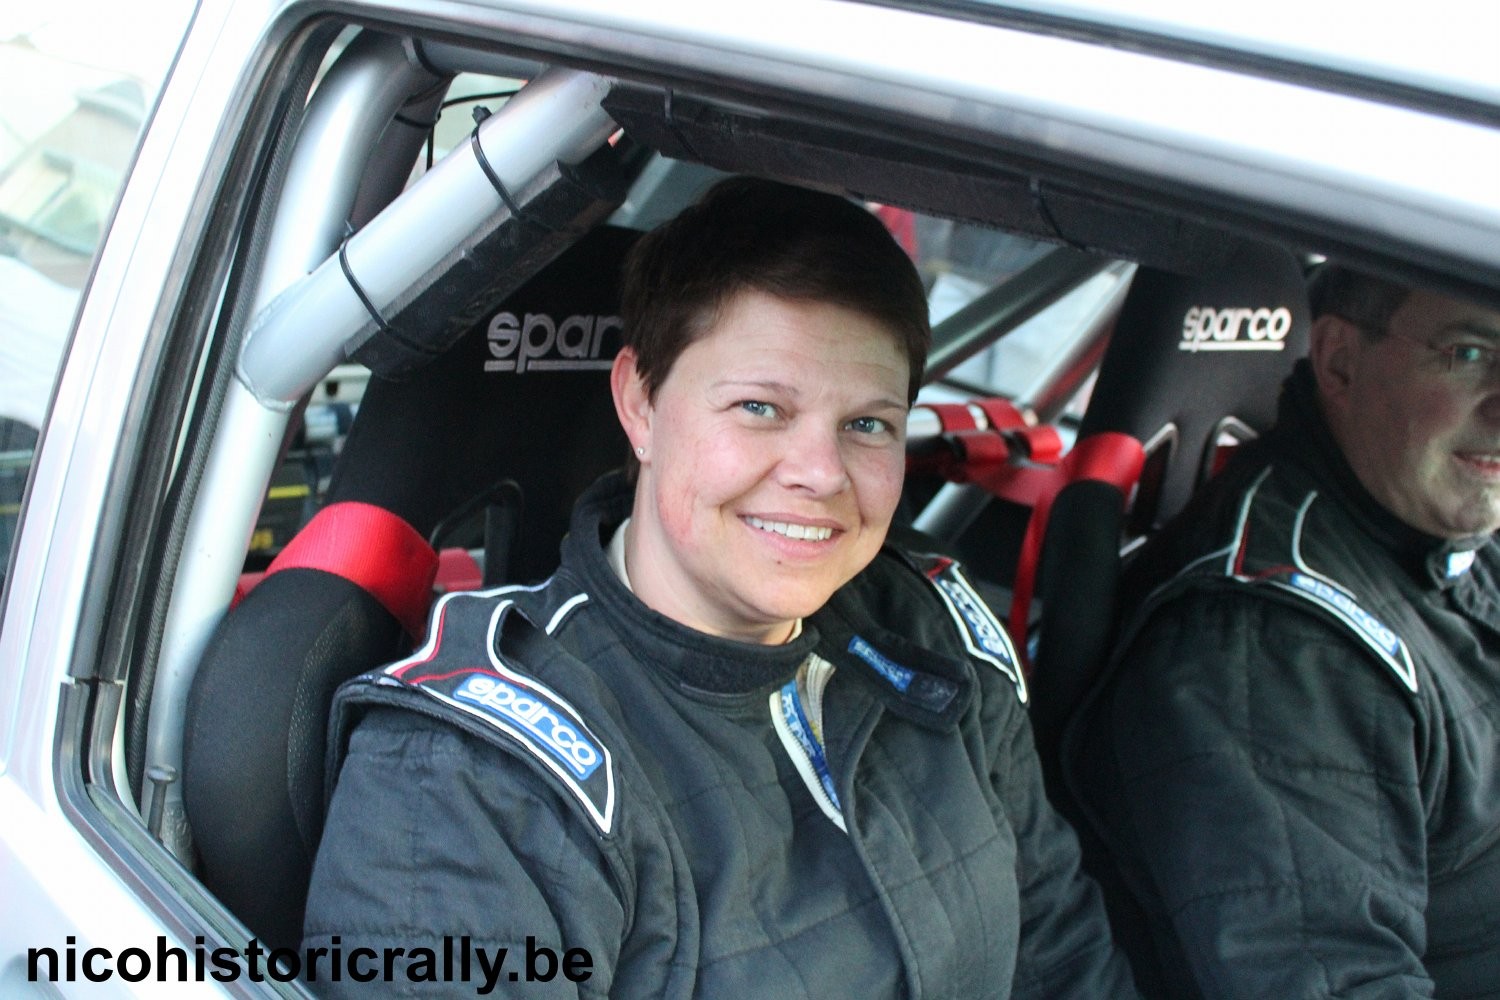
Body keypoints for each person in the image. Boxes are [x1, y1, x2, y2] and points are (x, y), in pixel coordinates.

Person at [301, 177, 1139, 997]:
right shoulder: (467, 779)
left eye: (867, 424)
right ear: (640, 402)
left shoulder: (931, 632)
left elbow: (1063, 954)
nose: (820, 473)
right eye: (760, 409)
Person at [1063, 264, 1500, 997]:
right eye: (1470, 355)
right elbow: (1332, 980)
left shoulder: (1437, 532)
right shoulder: (1271, 648)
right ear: (1338, 360)